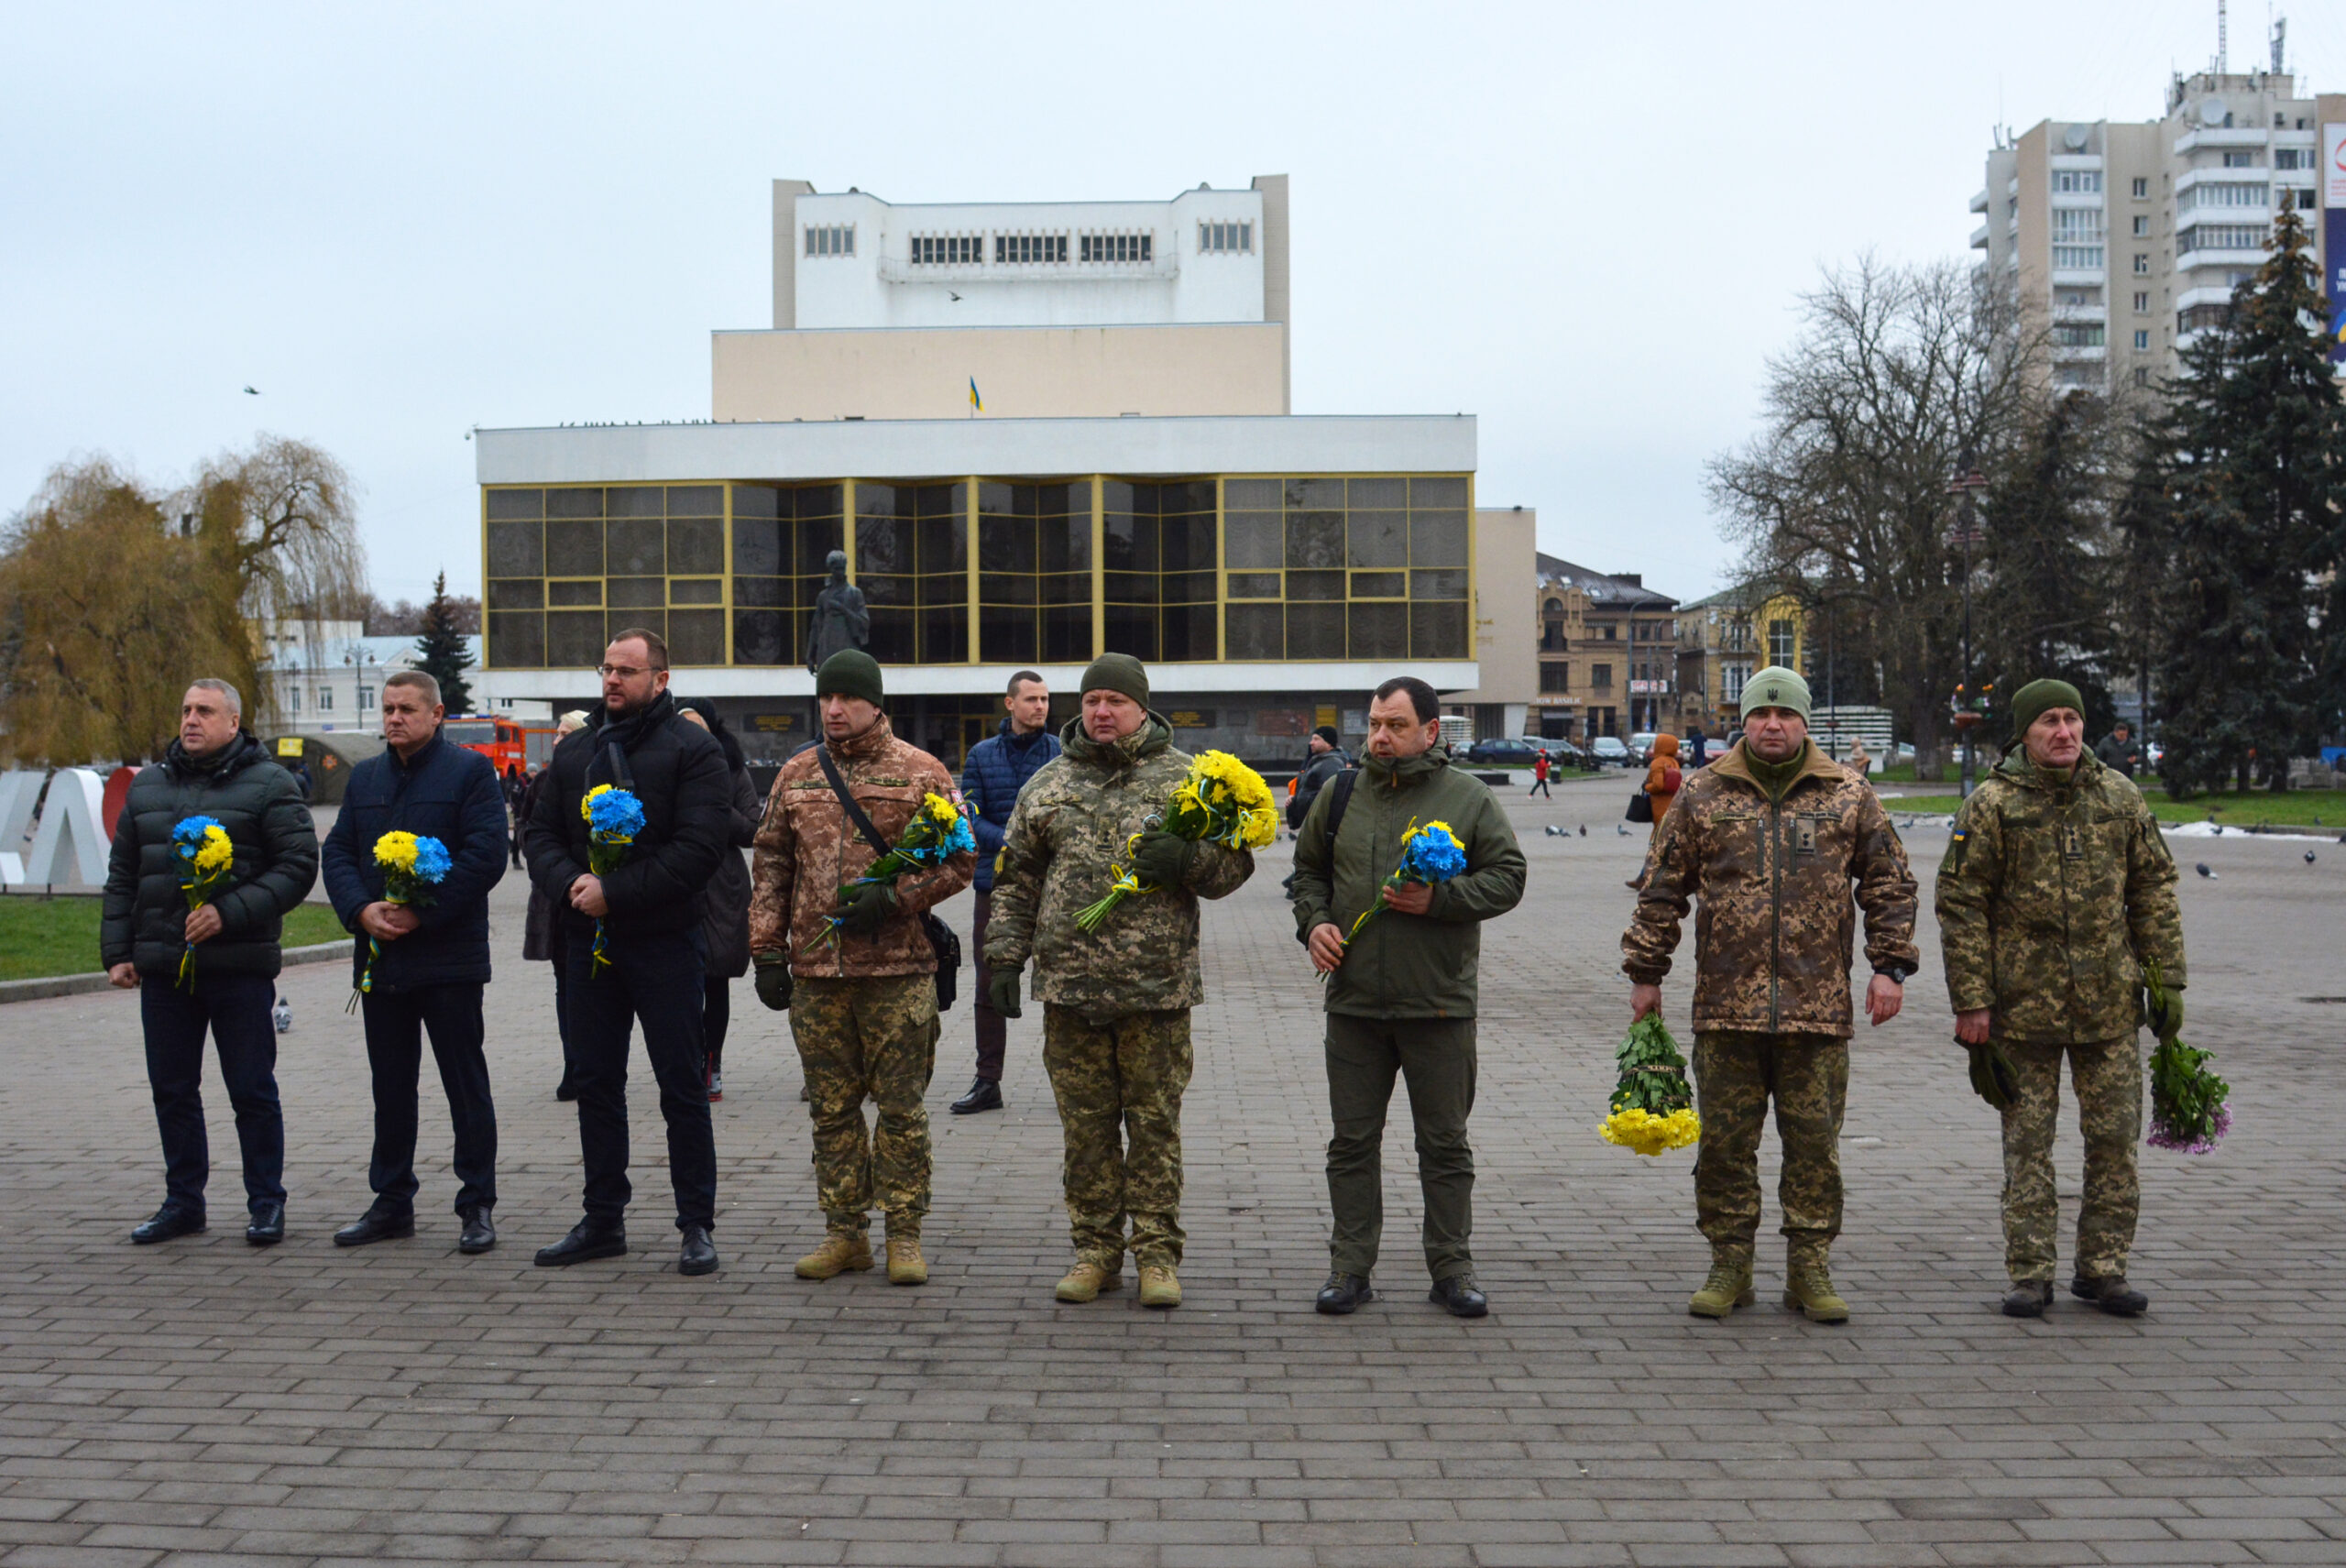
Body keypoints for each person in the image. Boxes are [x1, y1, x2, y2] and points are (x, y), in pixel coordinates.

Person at [1620, 665, 1918, 1322]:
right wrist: (1646, 973)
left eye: (1785, 715)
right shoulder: (1703, 794)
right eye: (1760, 714)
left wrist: (1889, 967)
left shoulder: (1848, 794)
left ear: (1804, 721)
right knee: (1726, 1143)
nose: (1772, 725)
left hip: (1817, 1009)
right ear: (1744, 721)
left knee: (1814, 1145)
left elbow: (1889, 884)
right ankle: (1730, 1261)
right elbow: (1662, 888)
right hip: (1726, 1008)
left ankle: (1809, 1265)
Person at [984, 653, 1255, 1310]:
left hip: (1154, 992)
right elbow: (1016, 877)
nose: (1102, 711)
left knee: (1155, 1125)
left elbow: (1233, 870)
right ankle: (1095, 1251)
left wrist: (1190, 857)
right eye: (1093, 698)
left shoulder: (1189, 781)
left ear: (1142, 705)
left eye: (1116, 699)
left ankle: (1157, 1253)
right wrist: (1002, 956)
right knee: (1087, 1130)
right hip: (1071, 991)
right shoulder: (1048, 783)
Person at [1935, 679, 2185, 1320]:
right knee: (2028, 1145)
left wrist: (2166, 980)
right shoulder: (1992, 805)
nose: (2065, 731)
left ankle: (2103, 1269)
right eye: (2050, 719)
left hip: (2107, 1005)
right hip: (2022, 1009)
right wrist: (1972, 1000)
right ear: (2025, 732)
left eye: (2073, 718)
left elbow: (2153, 887)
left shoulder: (2120, 797)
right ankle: (2030, 1271)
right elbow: (1961, 905)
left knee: (2113, 1141)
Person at [1293, 675, 1527, 1318]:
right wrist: (1314, 923)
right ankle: (1350, 1266)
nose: (1379, 736)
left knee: (1445, 1143)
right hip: (1356, 1004)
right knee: (1351, 1142)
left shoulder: (1468, 797)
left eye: (1395, 724)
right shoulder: (1340, 794)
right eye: (1374, 723)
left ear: (1431, 730)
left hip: (1438, 1005)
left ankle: (1452, 1267)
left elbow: (1509, 877)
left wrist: (1441, 899)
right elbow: (1306, 870)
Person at [748, 650, 973, 1287]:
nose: (835, 709)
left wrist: (895, 897)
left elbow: (960, 860)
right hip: (818, 976)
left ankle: (904, 1232)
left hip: (898, 972)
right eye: (826, 698)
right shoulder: (796, 773)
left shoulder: (921, 771)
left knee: (901, 1109)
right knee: (832, 1109)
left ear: (877, 703)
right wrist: (766, 951)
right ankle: (845, 1232)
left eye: (847, 698)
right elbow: (770, 866)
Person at [524, 630, 731, 1277]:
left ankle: (695, 1223)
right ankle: (602, 1217)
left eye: (627, 670)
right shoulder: (577, 750)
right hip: (588, 944)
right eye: (606, 668)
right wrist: (571, 886)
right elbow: (539, 832)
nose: (612, 680)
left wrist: (616, 890)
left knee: (680, 1086)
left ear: (660, 679)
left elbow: (700, 849)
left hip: (666, 943)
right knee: (595, 1084)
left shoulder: (694, 750)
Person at [102, 680, 319, 1245]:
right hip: (164, 967)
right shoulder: (149, 786)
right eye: (185, 710)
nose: (190, 720)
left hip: (238, 966)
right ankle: (183, 1203)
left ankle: (266, 1203)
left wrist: (229, 912)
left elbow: (298, 866)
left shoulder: (270, 783)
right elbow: (125, 873)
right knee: (172, 1089)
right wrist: (118, 951)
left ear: (232, 722)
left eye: (204, 711)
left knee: (250, 1088)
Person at [319, 672, 507, 1254]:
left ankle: (476, 1204)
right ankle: (391, 1201)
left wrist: (423, 913)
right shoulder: (367, 776)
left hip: (448, 959)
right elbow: (341, 851)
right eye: (388, 709)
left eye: (406, 709)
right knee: (391, 1087)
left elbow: (485, 855)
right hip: (383, 959)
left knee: (464, 1084)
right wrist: (360, 909)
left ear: (436, 714)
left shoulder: (470, 772)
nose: (394, 718)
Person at [952, 669, 1060, 1115]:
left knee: (1062, 983)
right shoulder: (981, 755)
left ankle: (1070, 1079)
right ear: (1010, 704)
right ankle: (987, 1079)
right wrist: (1011, 839)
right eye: (1031, 699)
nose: (1040, 706)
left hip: (1055, 884)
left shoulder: (1063, 753)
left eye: (1045, 699)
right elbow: (967, 816)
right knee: (990, 982)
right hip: (994, 884)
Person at [676, 700, 761, 1103]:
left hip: (723, 886)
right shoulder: (666, 765)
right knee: (680, 983)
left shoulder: (732, 770)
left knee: (716, 978)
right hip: (676, 883)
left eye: (698, 727)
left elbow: (752, 830)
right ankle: (686, 1061)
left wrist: (712, 801)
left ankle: (712, 1062)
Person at [521, 716, 590, 1101]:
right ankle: (571, 1063)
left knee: (586, 989)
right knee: (564, 986)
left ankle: (587, 1063)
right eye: (558, 733)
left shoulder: (596, 772)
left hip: (591, 895)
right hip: (553, 896)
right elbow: (532, 832)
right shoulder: (543, 782)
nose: (559, 739)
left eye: (567, 733)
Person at [1287, 726, 1349, 831]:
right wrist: (1294, 800)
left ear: (1328, 743)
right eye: (1312, 739)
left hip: (1320, 827)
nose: (1311, 743)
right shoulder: (1318, 761)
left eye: (1316, 739)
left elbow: (1330, 797)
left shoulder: (1331, 764)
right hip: (1312, 824)